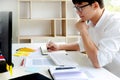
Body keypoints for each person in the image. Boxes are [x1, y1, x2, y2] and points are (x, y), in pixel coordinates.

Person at [47, 0, 120, 77]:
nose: (78, 12)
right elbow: (81, 45)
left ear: (95, 5)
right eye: (76, 8)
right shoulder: (90, 22)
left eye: (80, 8)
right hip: (99, 71)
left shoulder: (115, 23)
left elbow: (98, 62)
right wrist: (59, 47)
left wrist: (83, 31)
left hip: (114, 75)